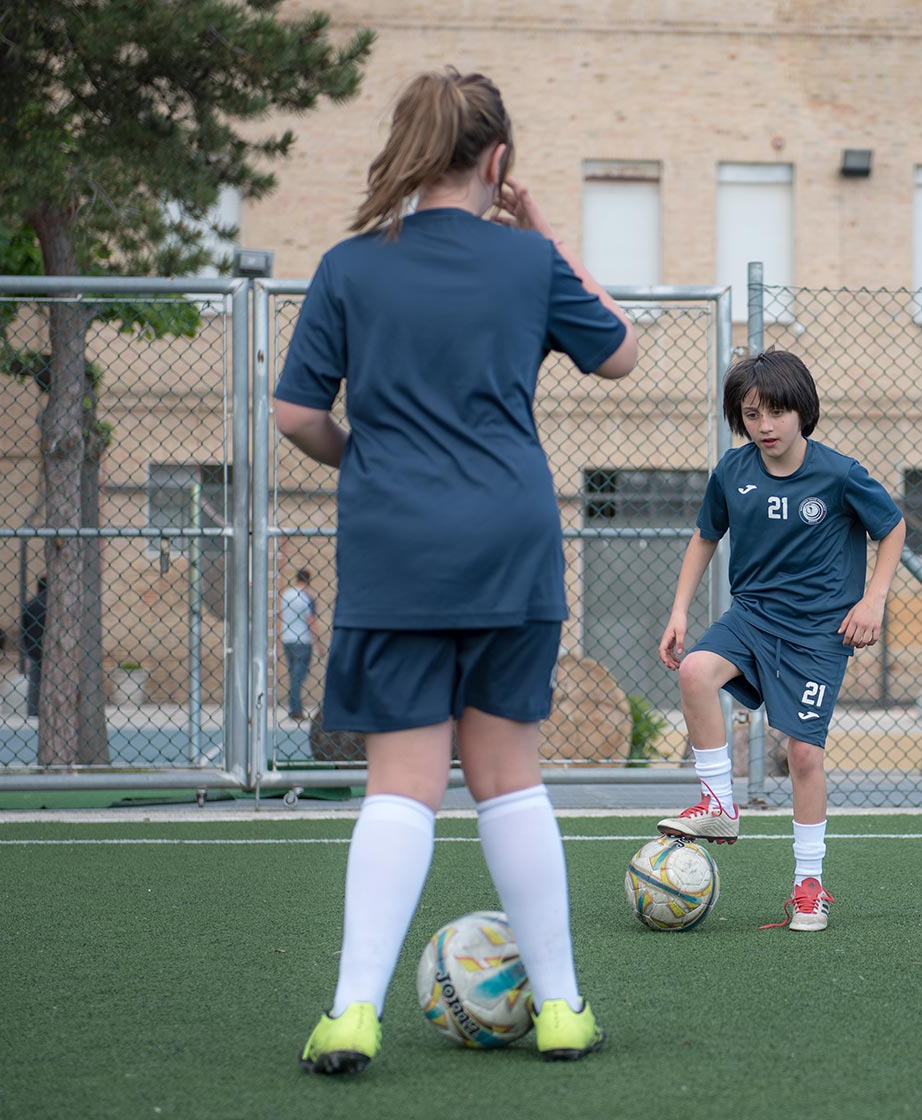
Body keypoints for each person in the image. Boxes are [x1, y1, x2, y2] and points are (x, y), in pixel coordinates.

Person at [273, 67, 638, 1075]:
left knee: (400, 786)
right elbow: (621, 354)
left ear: (408, 147)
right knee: (510, 781)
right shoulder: (528, 264)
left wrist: (371, 459)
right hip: (510, 544)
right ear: (498, 159)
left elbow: (298, 416)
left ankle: (351, 1012)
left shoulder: (350, 266)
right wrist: (546, 229)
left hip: (396, 549)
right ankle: (562, 1007)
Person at [656, 350, 906, 932]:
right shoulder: (731, 472)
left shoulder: (840, 474)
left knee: (802, 753)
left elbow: (891, 529)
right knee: (694, 671)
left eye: (776, 412)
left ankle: (808, 886)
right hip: (753, 615)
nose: (765, 426)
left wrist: (873, 600)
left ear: (802, 411)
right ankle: (719, 805)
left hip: (818, 630)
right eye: (751, 414)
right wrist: (678, 610)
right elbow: (703, 537)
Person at [279, 569, 318, 721]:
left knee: (293, 675)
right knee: (299, 676)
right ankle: (295, 709)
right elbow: (311, 621)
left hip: (287, 640)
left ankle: (294, 707)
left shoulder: (286, 595)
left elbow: (280, 617)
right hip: (303, 641)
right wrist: (319, 643)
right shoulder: (306, 598)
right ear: (308, 580)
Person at [19, 578, 46, 718]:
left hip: (34, 648)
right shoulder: (55, 605)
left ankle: (33, 711)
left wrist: (27, 647)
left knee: (35, 681)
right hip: (53, 649)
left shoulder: (30, 604)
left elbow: (23, 629)